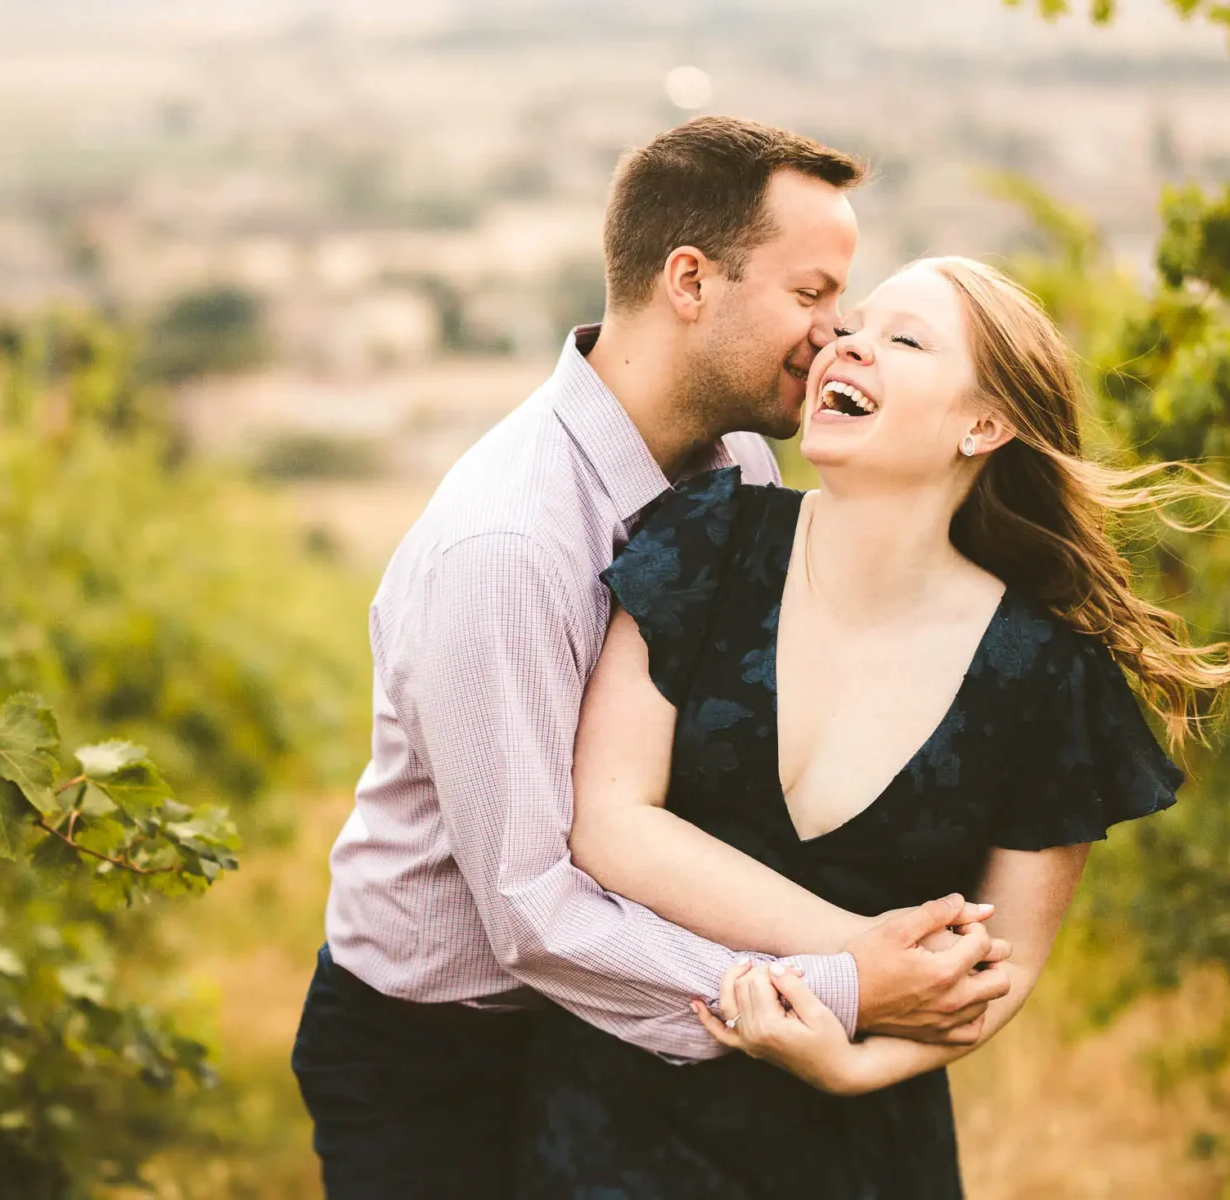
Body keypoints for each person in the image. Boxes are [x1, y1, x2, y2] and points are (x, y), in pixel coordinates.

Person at [291, 119, 1017, 1199]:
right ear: (689, 280)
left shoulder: (740, 466)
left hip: (608, 1027)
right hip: (440, 1047)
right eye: (812, 294)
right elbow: (533, 911)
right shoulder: (511, 547)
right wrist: (839, 982)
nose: (835, 336)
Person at [514, 254, 1230, 1198]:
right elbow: (610, 822)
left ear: (984, 424)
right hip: (619, 1126)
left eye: (901, 340)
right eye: (851, 327)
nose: (847, 346)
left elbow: (1004, 967)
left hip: (861, 1154)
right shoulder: (707, 539)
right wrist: (855, 957)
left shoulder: (1046, 674)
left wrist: (853, 1065)